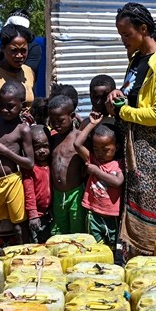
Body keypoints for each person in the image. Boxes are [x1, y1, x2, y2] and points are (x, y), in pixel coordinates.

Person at [109, 3, 156, 259]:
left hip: (151, 149)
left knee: (149, 208)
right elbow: (131, 95)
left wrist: (123, 112)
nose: (123, 41)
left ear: (143, 29)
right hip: (133, 145)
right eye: (121, 36)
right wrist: (118, 94)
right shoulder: (136, 60)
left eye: (127, 35)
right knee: (133, 202)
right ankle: (132, 258)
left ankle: (150, 259)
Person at [0, 82, 34, 247]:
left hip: (12, 181)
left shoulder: (22, 129)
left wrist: (6, 152)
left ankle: (25, 257)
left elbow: (30, 163)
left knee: (19, 226)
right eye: (1, 105)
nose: (4, 110)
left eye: (10, 106)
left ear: (22, 106)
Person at [75, 115, 123, 248]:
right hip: (93, 213)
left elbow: (118, 182)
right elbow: (77, 144)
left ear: (117, 147)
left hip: (111, 215)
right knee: (95, 247)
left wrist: (96, 172)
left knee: (112, 246)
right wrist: (91, 124)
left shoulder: (119, 164)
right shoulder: (93, 160)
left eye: (105, 150)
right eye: (96, 149)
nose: (100, 153)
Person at [47, 94, 87, 237]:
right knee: (58, 232)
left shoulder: (79, 138)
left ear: (72, 116)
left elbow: (89, 161)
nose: (56, 124)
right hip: (57, 194)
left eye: (60, 120)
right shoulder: (52, 139)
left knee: (77, 232)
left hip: (76, 193)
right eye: (52, 121)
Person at [24, 124, 53, 242]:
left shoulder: (51, 164)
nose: (42, 151)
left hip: (49, 215)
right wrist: (33, 215)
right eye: (37, 147)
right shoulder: (30, 169)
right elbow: (29, 193)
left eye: (45, 146)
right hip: (35, 216)